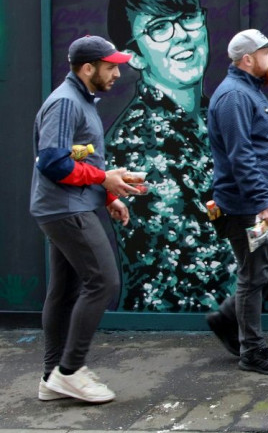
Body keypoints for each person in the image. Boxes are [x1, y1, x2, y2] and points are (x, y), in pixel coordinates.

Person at [105, 0, 237, 311]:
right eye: (159, 27)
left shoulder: (215, 116)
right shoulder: (138, 143)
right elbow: (200, 268)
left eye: (188, 17)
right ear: (134, 56)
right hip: (177, 341)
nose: (182, 36)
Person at [30, 35, 139, 403]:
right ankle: (70, 370)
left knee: (64, 292)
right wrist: (103, 180)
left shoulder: (81, 100)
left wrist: (108, 192)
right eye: (111, 67)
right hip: (66, 209)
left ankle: (52, 377)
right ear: (88, 68)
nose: (117, 74)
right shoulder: (64, 103)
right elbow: (53, 163)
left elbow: (81, 159)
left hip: (70, 205)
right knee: (104, 282)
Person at [206, 29, 268, 375]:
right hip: (250, 207)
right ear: (247, 59)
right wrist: (262, 202)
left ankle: (229, 316)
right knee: (254, 273)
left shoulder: (249, 91)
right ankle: (253, 351)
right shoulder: (232, 97)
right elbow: (241, 155)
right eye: (265, 52)